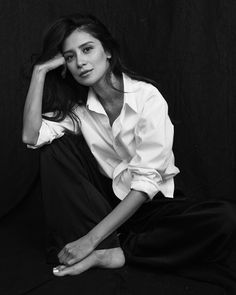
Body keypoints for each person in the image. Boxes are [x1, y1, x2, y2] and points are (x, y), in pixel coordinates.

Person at [22, 13, 236, 280]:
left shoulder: (147, 98)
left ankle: (112, 252)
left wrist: (91, 239)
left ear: (108, 51)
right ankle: (104, 240)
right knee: (54, 148)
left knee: (225, 217)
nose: (80, 62)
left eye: (87, 49)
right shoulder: (78, 109)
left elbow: (146, 184)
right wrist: (39, 72)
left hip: (147, 203)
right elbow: (31, 137)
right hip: (102, 202)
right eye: (69, 57)